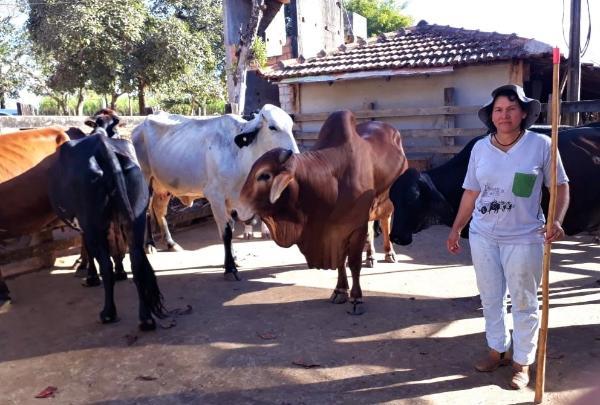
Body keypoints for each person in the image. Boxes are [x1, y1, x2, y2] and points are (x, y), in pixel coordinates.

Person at [446, 84, 570, 389]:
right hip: (483, 234)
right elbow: (472, 191)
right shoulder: (479, 148)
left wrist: (556, 219)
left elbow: (561, 187)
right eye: (498, 110)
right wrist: (456, 227)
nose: (504, 115)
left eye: (511, 109)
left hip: (525, 236)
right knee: (490, 298)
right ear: (491, 115)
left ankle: (522, 361)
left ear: (523, 113)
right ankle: (497, 350)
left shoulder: (541, 145)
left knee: (525, 301)